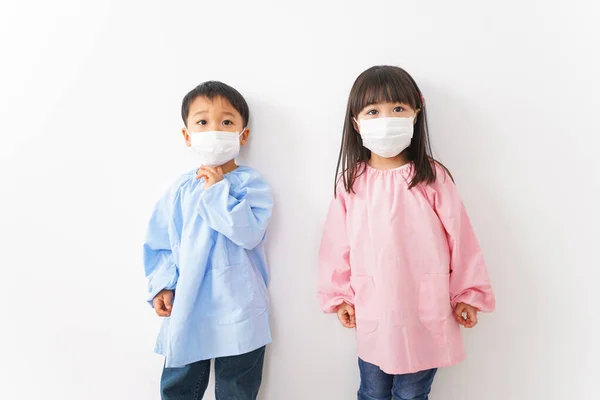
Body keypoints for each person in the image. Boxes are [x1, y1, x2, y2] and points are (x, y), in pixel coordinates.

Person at [317, 65, 495, 400]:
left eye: (397, 109)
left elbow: (462, 240)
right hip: (375, 308)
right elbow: (334, 246)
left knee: (412, 395)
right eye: (373, 111)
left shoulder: (431, 177)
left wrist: (467, 294)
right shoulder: (351, 183)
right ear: (356, 123)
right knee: (371, 391)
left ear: (415, 113)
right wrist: (339, 295)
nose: (386, 119)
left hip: (423, 311)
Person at [143, 81, 273, 400]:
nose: (214, 129)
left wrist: (217, 192)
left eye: (226, 122)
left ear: (243, 135)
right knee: (179, 387)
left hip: (238, 305)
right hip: (188, 304)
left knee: (237, 389)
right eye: (202, 122)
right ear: (187, 135)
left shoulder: (250, 186)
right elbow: (162, 244)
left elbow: (248, 233)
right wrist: (162, 284)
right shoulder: (179, 190)